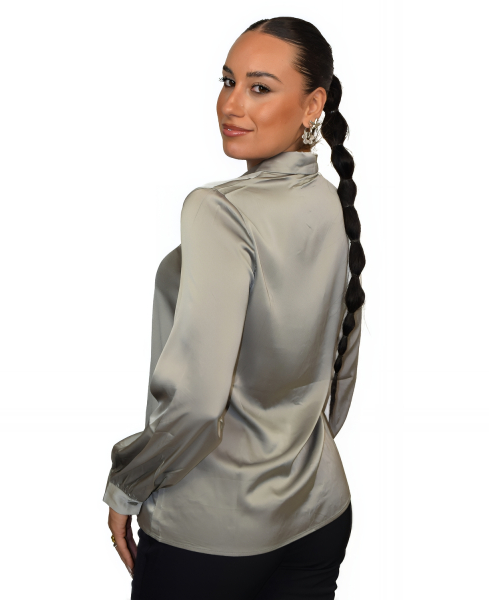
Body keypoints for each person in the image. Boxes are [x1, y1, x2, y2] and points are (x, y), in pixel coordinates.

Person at [103, 16, 366, 600]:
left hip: (210, 537)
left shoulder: (217, 211)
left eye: (260, 87)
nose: (232, 104)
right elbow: (341, 364)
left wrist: (127, 485)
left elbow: (196, 405)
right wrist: (291, 454)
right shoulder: (331, 201)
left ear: (313, 105)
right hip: (319, 512)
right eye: (228, 81)